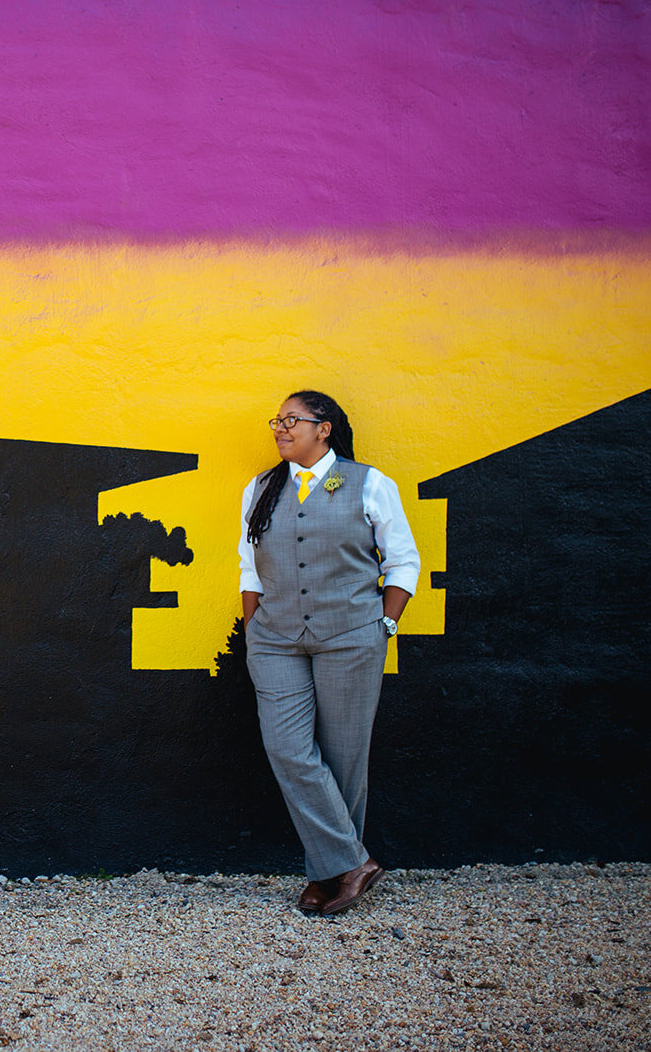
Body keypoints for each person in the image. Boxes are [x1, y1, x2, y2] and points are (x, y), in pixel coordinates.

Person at [239, 390, 418, 916]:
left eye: (292, 420)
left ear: (325, 428)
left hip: (352, 636)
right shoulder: (260, 488)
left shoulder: (370, 483)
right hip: (275, 641)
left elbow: (403, 561)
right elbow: (250, 568)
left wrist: (384, 624)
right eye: (277, 420)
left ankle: (329, 872)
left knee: (344, 758)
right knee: (288, 748)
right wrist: (253, 629)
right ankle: (353, 862)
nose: (280, 428)